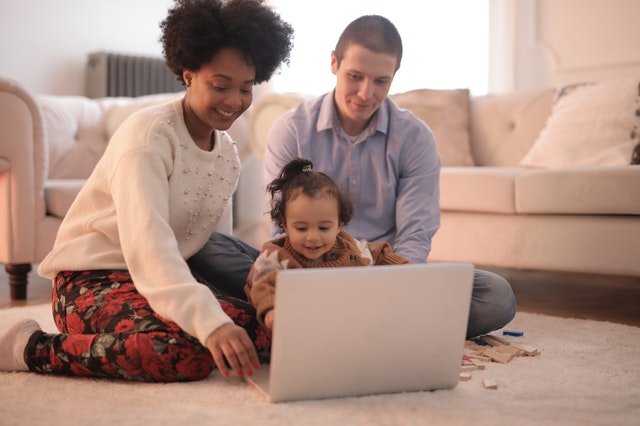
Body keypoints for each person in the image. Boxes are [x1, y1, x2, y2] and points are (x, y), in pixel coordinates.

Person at [0, 0, 293, 382]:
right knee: (180, 353)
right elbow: (148, 246)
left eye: (246, 87)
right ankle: (29, 346)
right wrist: (210, 322)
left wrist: (253, 301)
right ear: (188, 73)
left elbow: (209, 246)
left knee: (269, 331)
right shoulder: (149, 135)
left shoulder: (227, 156)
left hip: (163, 278)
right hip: (91, 280)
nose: (235, 101)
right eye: (220, 85)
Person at [262, 15, 516, 338]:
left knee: (496, 295)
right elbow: (276, 226)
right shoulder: (292, 129)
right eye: (355, 76)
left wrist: (394, 287)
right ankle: (383, 327)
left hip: (383, 273)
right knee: (227, 257)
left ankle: (339, 324)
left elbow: (416, 233)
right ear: (334, 63)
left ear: (394, 77)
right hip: (307, 269)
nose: (366, 93)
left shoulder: (414, 138)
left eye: (381, 81)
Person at [245, 158, 409, 329]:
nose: (313, 237)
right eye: (301, 228)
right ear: (285, 226)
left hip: (345, 321)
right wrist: (271, 309)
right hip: (297, 325)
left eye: (323, 228)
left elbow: (378, 253)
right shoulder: (275, 255)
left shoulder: (348, 247)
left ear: (339, 225)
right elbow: (262, 284)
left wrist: (405, 269)